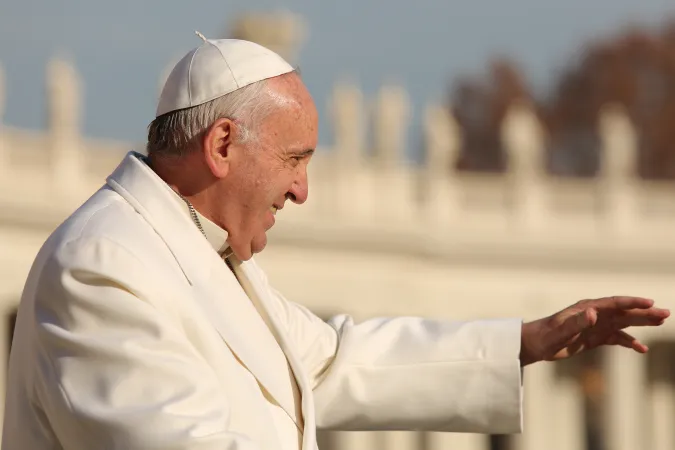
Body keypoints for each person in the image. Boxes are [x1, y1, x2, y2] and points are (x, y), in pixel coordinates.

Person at [2, 34, 669, 450]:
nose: (302, 192)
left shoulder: (205, 255)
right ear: (223, 145)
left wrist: (524, 343)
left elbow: (333, 362)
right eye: (295, 159)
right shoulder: (104, 264)